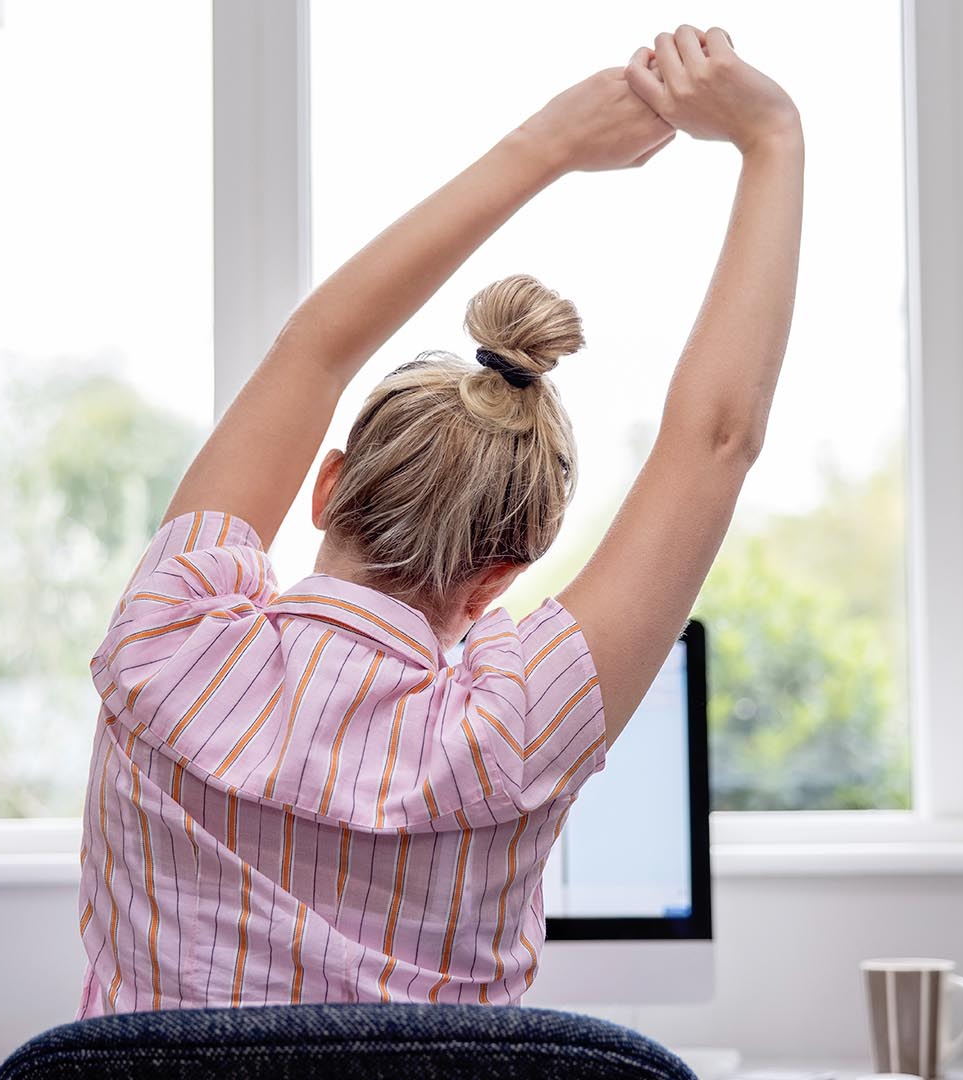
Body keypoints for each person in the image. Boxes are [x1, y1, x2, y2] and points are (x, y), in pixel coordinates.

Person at [77, 25, 802, 1014]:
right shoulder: (514, 727)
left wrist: (546, 146)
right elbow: (716, 444)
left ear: (325, 485)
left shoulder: (168, 635)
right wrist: (773, 139)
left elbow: (313, 352)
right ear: (502, 573)